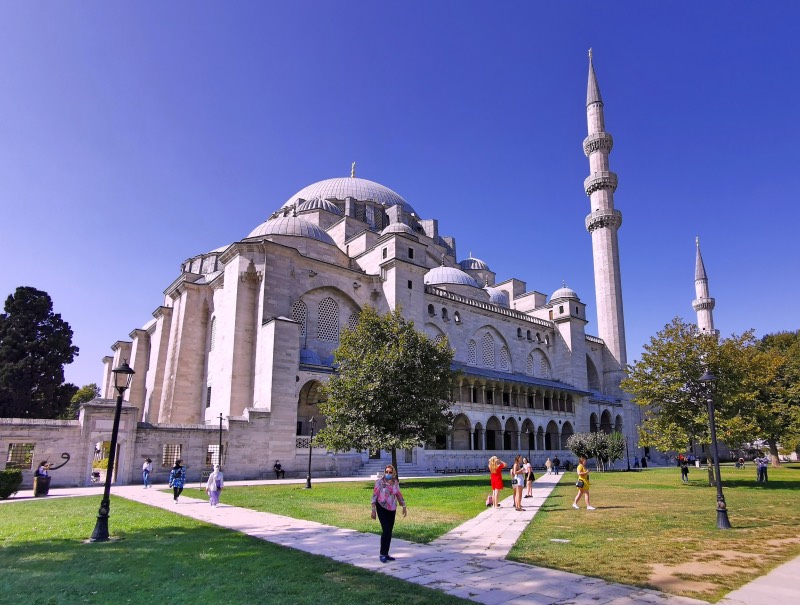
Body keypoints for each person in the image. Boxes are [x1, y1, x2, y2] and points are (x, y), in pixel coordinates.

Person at [370, 464, 406, 563]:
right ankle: (382, 554)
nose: (388, 474)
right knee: (385, 530)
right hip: (381, 507)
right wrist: (373, 510)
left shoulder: (395, 483)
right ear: (384, 472)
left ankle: (386, 553)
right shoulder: (379, 482)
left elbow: (398, 494)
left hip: (392, 508)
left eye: (390, 472)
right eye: (386, 472)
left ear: (393, 473)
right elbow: (374, 496)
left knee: (389, 531)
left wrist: (404, 506)